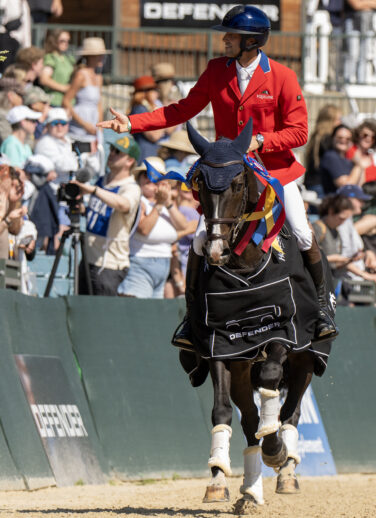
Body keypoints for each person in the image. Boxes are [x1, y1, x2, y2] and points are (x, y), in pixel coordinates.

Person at [99, 5, 337, 339]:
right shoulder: (215, 70)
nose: (224, 40)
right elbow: (182, 109)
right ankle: (191, 319)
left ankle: (323, 309)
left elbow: (299, 133)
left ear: (251, 41)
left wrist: (260, 141)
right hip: (228, 174)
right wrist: (132, 123)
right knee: (200, 241)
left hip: (274, 170)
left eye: (231, 36)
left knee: (302, 233)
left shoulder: (283, 76)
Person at [71, 133, 141, 296]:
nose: (112, 154)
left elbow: (123, 204)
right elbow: (99, 212)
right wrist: (82, 209)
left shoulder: (131, 187)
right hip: (88, 259)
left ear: (129, 161)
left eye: (118, 152)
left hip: (109, 265)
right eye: (112, 149)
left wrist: (94, 190)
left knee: (101, 310)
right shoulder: (102, 180)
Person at [119, 156, 189, 298]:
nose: (150, 179)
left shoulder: (167, 204)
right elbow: (144, 229)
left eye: (156, 176)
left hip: (163, 266)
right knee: (140, 308)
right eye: (146, 174)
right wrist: (159, 204)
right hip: (140, 265)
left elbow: (183, 226)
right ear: (139, 179)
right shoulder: (138, 200)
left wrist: (167, 203)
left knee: (153, 309)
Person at [64, 37, 108, 153]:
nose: (102, 58)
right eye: (98, 55)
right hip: (79, 128)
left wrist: (100, 126)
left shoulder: (99, 77)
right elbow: (66, 101)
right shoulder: (81, 74)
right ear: (90, 56)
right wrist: (84, 124)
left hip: (93, 128)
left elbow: (99, 104)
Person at [313, 194, 357, 282]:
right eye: (341, 218)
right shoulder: (318, 228)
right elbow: (310, 256)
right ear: (331, 212)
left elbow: (334, 265)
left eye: (346, 219)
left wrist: (348, 260)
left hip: (331, 278)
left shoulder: (336, 231)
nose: (343, 222)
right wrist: (332, 258)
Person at [316, 124, 368, 197]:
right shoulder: (331, 157)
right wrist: (358, 166)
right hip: (335, 202)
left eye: (348, 139)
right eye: (340, 138)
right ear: (333, 138)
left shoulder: (348, 159)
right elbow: (346, 186)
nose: (343, 140)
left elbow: (360, 186)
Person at [303, 104, 342, 191]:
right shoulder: (327, 139)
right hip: (321, 185)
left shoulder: (317, 136)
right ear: (330, 121)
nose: (340, 123)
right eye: (338, 119)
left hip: (312, 182)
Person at [34, 107, 78, 179]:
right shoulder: (45, 143)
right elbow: (64, 166)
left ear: (68, 125)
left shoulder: (68, 139)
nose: (59, 127)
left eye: (63, 123)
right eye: (55, 123)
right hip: (53, 184)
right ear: (47, 125)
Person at [347, 120, 376, 184]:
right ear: (358, 135)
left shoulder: (369, 156)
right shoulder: (352, 151)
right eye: (365, 135)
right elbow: (368, 178)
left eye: (373, 137)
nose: (369, 139)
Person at [129, 75, 164, 161]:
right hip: (145, 155)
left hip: (149, 153)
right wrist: (163, 119)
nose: (157, 93)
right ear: (146, 92)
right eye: (154, 90)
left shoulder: (145, 108)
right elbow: (154, 136)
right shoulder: (140, 109)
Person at [0, 75, 26, 144]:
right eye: (20, 95)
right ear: (11, 95)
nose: (22, 100)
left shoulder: (3, 113)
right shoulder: (0, 115)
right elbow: (10, 142)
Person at [39, 29, 74, 107]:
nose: (66, 43)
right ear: (54, 41)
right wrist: (64, 88)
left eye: (68, 41)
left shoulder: (68, 59)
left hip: (69, 102)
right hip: (55, 102)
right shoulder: (50, 58)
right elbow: (44, 79)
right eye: (62, 41)